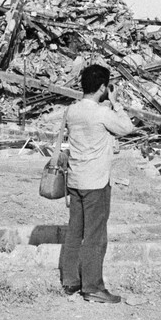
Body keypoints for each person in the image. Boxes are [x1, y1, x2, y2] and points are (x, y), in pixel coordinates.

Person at [60, 64, 135, 303]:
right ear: (103, 87)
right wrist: (115, 102)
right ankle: (92, 286)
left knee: (74, 232)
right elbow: (127, 127)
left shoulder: (71, 110)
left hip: (75, 178)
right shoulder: (102, 112)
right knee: (95, 235)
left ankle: (70, 280)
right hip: (96, 181)